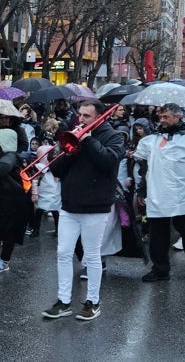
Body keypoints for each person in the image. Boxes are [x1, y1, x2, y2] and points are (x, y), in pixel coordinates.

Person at [42, 100, 127, 321]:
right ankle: (64, 301)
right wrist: (68, 151)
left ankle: (93, 301)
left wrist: (87, 141)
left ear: (100, 117)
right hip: (70, 204)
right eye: (80, 115)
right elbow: (56, 170)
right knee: (63, 253)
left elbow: (108, 161)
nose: (80, 120)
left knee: (91, 256)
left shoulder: (115, 136)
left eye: (87, 116)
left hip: (96, 206)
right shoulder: (74, 136)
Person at [133, 103, 185, 280]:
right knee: (157, 233)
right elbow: (145, 166)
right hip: (158, 193)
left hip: (184, 194)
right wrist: (142, 190)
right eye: (161, 117)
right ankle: (160, 269)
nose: (162, 120)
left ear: (178, 117)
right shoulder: (154, 138)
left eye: (166, 117)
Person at [0, 129, 31, 273]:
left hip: (11, 201)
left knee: (8, 231)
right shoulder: (0, 155)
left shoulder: (10, 156)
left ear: (4, 142)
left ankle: (5, 260)